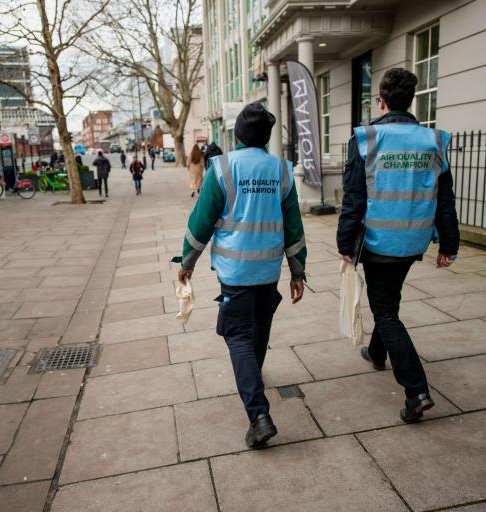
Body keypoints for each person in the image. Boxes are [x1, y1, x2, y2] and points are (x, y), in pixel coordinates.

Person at [176, 102, 306, 448]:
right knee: (260, 327)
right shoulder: (281, 170)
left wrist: (186, 262)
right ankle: (254, 378)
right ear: (266, 136)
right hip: (267, 269)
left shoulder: (222, 168)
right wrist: (298, 270)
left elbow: (201, 221)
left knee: (237, 336)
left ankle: (258, 414)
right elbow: (294, 226)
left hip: (235, 272)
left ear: (237, 135)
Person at [336, 68, 459, 423]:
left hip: (377, 242)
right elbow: (445, 199)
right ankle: (376, 353)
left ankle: (416, 390)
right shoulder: (434, 140)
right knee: (387, 299)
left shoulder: (366, 138)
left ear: (382, 101)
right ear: (410, 100)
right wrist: (448, 244)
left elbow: (354, 197)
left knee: (386, 311)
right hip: (414, 240)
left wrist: (345, 242)